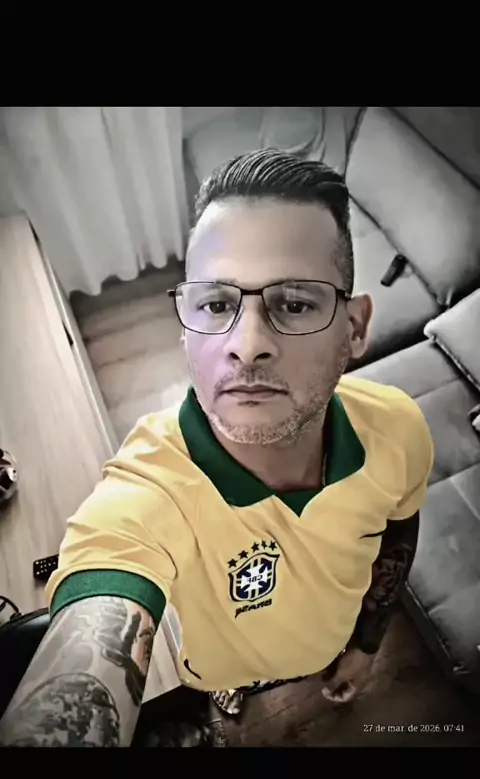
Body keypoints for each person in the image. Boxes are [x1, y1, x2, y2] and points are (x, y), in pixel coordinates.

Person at [0, 149, 434, 747]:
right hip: (219, 669)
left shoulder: (399, 427)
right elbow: (105, 588)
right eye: (216, 304)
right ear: (185, 328)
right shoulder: (148, 488)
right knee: (227, 688)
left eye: (295, 303)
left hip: (331, 646)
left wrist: (365, 645)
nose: (247, 344)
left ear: (354, 328)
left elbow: (400, 531)